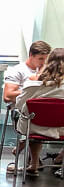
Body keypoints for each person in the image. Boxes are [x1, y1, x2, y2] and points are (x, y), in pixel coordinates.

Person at [14, 47, 64, 176]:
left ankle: (34, 163)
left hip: (35, 127)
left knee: (32, 121)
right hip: (62, 129)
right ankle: (60, 160)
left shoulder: (33, 86)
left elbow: (19, 105)